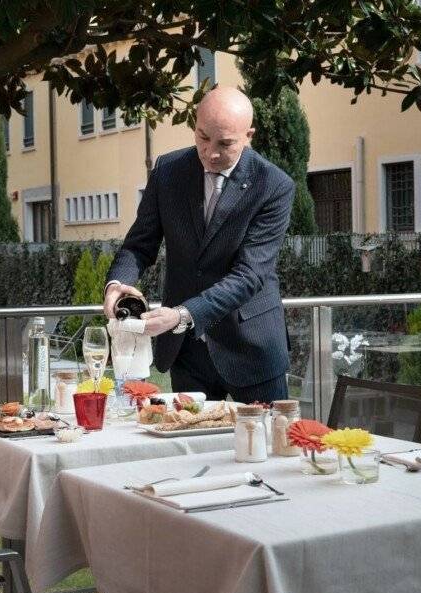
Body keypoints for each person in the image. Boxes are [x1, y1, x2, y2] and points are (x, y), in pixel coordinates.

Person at [104, 86, 295, 403]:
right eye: (203, 138)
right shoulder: (168, 171)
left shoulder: (273, 185)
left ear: (248, 136)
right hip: (187, 350)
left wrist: (182, 314)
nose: (211, 152)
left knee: (266, 448)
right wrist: (117, 283)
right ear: (195, 125)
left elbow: (249, 275)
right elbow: (139, 244)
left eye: (225, 144)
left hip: (252, 349)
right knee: (191, 447)